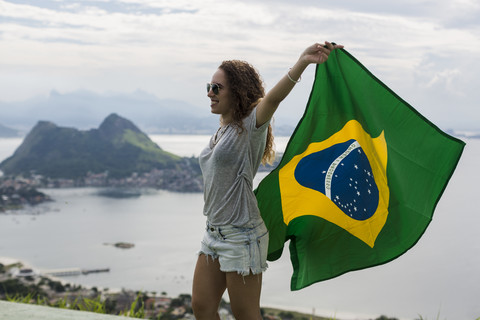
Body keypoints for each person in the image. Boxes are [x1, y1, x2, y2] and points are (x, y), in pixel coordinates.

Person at [192, 41, 344, 320]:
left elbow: (272, 100)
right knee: (202, 307)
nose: (210, 94)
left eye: (217, 88)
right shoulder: (223, 127)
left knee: (245, 315)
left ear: (236, 92)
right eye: (208, 87)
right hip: (213, 232)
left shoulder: (250, 125)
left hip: (242, 236)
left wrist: (303, 61)